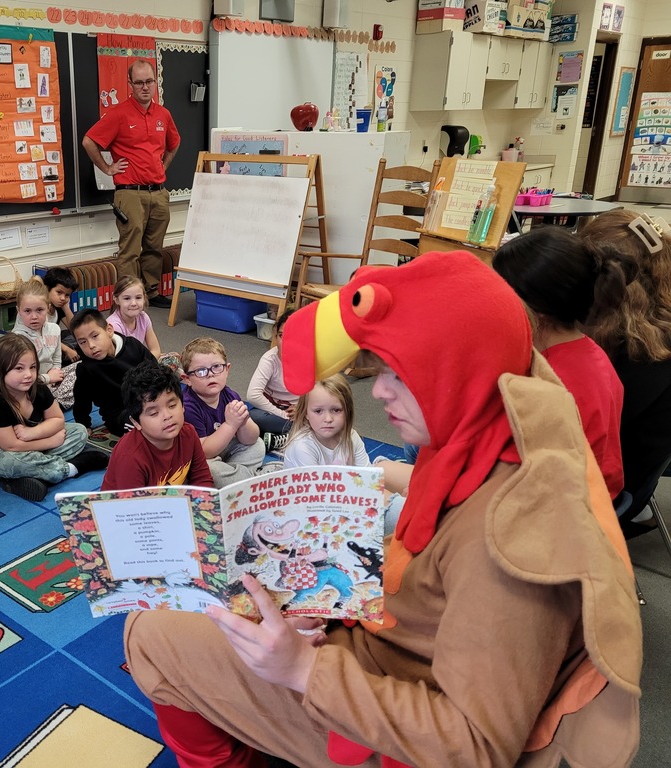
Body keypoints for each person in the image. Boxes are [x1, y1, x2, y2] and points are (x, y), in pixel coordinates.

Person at [124, 251, 641, 767]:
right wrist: (325, 604)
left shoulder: (506, 540)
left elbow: (477, 748)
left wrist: (302, 670)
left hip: (385, 711)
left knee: (147, 634)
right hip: (382, 643)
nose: (382, 390)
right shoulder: (501, 425)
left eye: (401, 372)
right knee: (220, 598)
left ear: (455, 369)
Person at [493, 225, 630, 499]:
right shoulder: (585, 349)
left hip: (566, 504)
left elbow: (522, 479)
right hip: (585, 490)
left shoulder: (553, 380)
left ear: (537, 311)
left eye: (500, 293)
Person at [580, 210, 671, 530]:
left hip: (608, 492)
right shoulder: (655, 325)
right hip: (642, 475)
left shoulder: (621, 346)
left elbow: (579, 427)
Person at [82, 58, 180, 308]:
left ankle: (152, 291)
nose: (145, 87)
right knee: (130, 250)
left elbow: (174, 143)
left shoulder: (163, 114)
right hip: (130, 193)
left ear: (155, 82)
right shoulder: (118, 114)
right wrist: (107, 168)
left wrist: (163, 166)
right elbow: (88, 142)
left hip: (158, 193)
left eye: (149, 81)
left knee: (154, 247)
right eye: (139, 82)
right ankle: (129, 298)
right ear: (130, 84)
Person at [0, 334, 108, 502]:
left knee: (79, 432)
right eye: (19, 368)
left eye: (33, 367)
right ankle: (72, 468)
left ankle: (33, 473)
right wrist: (51, 442)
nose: (28, 374)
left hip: (31, 443)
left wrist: (32, 432)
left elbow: (57, 420)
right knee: (12, 461)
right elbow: (11, 445)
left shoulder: (38, 388)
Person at [101, 362, 213, 491]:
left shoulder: (188, 433)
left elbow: (202, 478)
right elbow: (132, 508)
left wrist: (203, 505)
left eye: (172, 406)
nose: (167, 416)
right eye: (154, 413)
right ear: (136, 423)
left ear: (182, 406)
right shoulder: (130, 457)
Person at [180, 337, 264, 488]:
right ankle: (252, 480)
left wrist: (243, 421)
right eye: (201, 371)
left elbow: (250, 439)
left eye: (217, 367)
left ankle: (238, 478)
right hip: (200, 456)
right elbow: (204, 451)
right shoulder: (188, 406)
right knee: (211, 471)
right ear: (187, 379)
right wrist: (231, 424)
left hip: (224, 450)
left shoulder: (230, 395)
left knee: (258, 444)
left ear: (227, 369)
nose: (210, 374)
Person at [70, 308, 152, 436]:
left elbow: (156, 373)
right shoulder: (86, 368)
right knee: (140, 424)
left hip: (148, 401)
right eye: (83, 342)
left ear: (109, 330)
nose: (91, 345)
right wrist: (84, 425)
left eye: (95, 336)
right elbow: (81, 400)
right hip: (119, 415)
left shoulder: (133, 346)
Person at [12, 277, 78, 409]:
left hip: (53, 380)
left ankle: (53, 403)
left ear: (47, 308)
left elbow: (56, 358)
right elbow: (19, 378)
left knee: (84, 368)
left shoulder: (54, 329)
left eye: (39, 310)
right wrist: (48, 378)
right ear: (18, 310)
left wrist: (56, 373)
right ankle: (51, 405)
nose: (34, 316)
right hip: (32, 385)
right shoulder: (17, 339)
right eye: (27, 311)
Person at [282, 373, 370, 470]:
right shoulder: (303, 446)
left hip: (340, 483)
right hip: (316, 485)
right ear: (306, 412)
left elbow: (367, 476)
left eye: (336, 410)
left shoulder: (352, 437)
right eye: (318, 411)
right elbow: (315, 485)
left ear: (347, 411)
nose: (328, 419)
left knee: (384, 467)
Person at [246, 309, 298, 454]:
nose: (286, 342)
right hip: (272, 411)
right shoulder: (270, 359)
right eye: (281, 336)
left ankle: (281, 437)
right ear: (276, 335)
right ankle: (293, 435)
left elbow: (321, 392)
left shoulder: (311, 360)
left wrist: (303, 409)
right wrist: (282, 415)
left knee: (325, 418)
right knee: (250, 416)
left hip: (300, 413)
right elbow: (253, 395)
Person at [107, 275, 161, 357]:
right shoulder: (114, 326)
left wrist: (149, 362)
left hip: (139, 362)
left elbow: (156, 350)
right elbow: (123, 361)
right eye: (127, 298)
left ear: (144, 298)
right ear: (116, 300)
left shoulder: (143, 317)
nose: (133, 303)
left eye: (138, 297)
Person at [42, 266, 79, 364]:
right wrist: (67, 349)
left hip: (53, 341)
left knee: (78, 336)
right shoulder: (40, 308)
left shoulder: (58, 305)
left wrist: (66, 307)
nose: (63, 298)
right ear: (47, 289)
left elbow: (74, 328)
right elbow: (43, 337)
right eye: (59, 292)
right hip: (41, 342)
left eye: (67, 295)